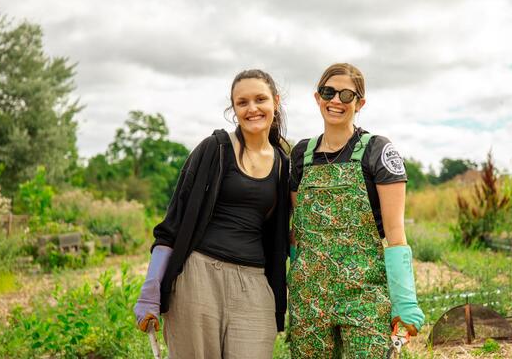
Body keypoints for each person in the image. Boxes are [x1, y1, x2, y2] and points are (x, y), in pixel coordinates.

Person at [133, 69, 290, 358]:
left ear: (275, 102)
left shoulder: (284, 165)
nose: (252, 108)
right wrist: (151, 288)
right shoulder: (214, 149)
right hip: (198, 278)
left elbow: (285, 234)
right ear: (234, 109)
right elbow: (173, 224)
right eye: (242, 102)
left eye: (260, 99)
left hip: (254, 284)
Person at [288, 63, 425, 358]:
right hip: (309, 297)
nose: (336, 100)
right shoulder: (301, 155)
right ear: (317, 98)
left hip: (364, 297)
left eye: (346, 95)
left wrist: (405, 302)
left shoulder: (377, 150)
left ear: (359, 103)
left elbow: (395, 234)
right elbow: (298, 233)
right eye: (328, 92)